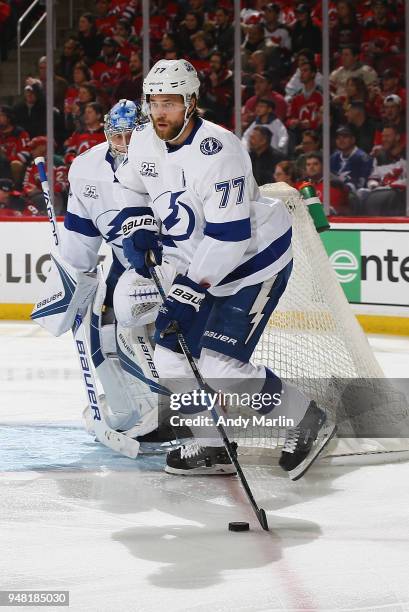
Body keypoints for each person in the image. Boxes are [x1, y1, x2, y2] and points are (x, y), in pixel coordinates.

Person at [114, 59, 335, 478]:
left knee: (219, 367)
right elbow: (131, 188)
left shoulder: (219, 150)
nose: (160, 111)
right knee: (172, 360)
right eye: (154, 101)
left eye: (171, 102)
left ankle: (307, 419)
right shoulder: (144, 138)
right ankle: (213, 445)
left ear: (191, 102)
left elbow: (230, 237)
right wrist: (138, 222)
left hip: (253, 262)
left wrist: (189, 290)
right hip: (199, 260)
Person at [35, 100, 165, 447]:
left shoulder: (164, 159)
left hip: (170, 259)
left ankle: (167, 409)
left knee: (136, 324)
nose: (123, 144)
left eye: (130, 136)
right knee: (102, 333)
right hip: (124, 260)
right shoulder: (86, 168)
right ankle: (131, 410)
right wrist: (73, 282)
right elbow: (80, 233)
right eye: (116, 136)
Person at [330, 125, 373, 193]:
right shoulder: (334, 157)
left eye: (345, 137)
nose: (341, 140)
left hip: (354, 195)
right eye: (338, 138)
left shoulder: (363, 158)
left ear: (353, 139)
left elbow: (361, 183)